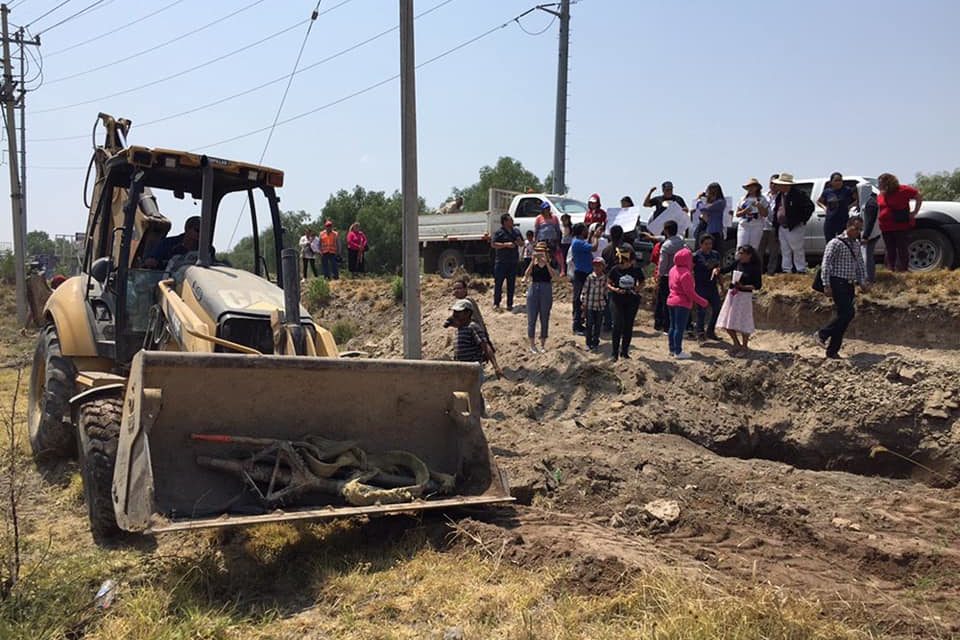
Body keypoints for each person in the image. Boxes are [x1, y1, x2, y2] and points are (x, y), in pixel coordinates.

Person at [815, 217, 869, 359]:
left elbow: (860, 264)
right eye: (856, 228)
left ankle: (832, 350)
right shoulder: (835, 243)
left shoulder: (856, 245)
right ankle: (823, 333)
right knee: (848, 313)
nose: (858, 232)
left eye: (860, 229)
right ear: (848, 226)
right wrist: (826, 284)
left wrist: (862, 281)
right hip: (837, 282)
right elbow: (826, 264)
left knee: (843, 317)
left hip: (849, 283)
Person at [715, 245, 763, 354]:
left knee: (742, 322)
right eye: (739, 253)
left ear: (749, 255)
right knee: (727, 321)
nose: (740, 255)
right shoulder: (737, 263)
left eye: (742, 254)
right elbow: (726, 270)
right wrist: (717, 270)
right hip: (733, 295)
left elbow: (757, 285)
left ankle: (745, 347)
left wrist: (743, 287)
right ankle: (736, 344)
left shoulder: (754, 267)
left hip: (744, 296)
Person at [666, 247, 709, 359]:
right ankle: (678, 351)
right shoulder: (686, 274)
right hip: (682, 303)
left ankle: (672, 349)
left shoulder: (672, 269)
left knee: (672, 327)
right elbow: (689, 292)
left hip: (671, 300)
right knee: (679, 328)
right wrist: (702, 302)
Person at [877, 172, 922, 272]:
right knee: (889, 249)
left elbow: (918, 195)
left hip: (900, 225)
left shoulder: (903, 190)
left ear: (888, 182)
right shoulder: (881, 195)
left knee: (902, 248)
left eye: (881, 183)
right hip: (885, 226)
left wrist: (915, 211)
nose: (879, 185)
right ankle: (890, 269)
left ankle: (903, 270)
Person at [606, 243, 645, 361]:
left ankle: (624, 352)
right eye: (620, 262)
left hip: (631, 300)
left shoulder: (636, 270)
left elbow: (642, 282)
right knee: (617, 324)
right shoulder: (614, 270)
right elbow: (608, 283)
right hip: (616, 299)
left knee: (628, 326)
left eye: (624, 262)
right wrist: (615, 289)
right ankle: (614, 353)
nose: (622, 265)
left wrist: (635, 289)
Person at [771, 172, 815, 273]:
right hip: (782, 226)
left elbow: (809, 207)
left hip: (794, 226)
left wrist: (801, 220)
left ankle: (800, 269)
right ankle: (787, 269)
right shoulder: (779, 196)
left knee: (797, 249)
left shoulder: (798, 194)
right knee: (785, 249)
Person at [446, 299, 501, 377]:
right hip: (462, 370)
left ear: (468, 313)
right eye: (454, 312)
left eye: (458, 312)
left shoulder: (472, 327)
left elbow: (485, 346)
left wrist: (496, 366)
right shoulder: (460, 329)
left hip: (472, 370)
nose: (455, 314)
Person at [524, 242, 557, 353]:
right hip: (534, 287)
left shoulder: (550, 262)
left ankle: (543, 344)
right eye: (537, 250)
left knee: (544, 317)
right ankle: (532, 345)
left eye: (541, 250)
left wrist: (546, 263)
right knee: (531, 318)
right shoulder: (533, 263)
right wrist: (533, 261)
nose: (539, 252)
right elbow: (526, 274)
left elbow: (553, 276)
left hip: (546, 288)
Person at [653, 220, 684, 332]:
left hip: (667, 276)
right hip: (679, 276)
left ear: (666, 230)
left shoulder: (666, 245)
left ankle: (663, 324)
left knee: (664, 300)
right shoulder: (682, 243)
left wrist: (659, 276)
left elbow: (662, 263)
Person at [569, 223, 600, 335]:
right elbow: (594, 247)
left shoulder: (578, 241)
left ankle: (580, 322)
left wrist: (591, 235)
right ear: (581, 231)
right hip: (581, 274)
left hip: (584, 273)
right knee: (578, 299)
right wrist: (596, 237)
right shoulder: (577, 243)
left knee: (584, 299)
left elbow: (586, 243)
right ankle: (577, 325)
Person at [692, 234, 723, 341]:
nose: (709, 246)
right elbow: (691, 270)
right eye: (706, 244)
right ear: (701, 245)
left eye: (710, 244)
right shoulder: (696, 256)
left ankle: (710, 331)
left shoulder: (715, 254)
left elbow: (718, 270)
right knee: (702, 310)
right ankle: (700, 332)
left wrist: (721, 285)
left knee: (717, 308)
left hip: (712, 286)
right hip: (700, 286)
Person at [491, 213, 523, 310]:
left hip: (513, 262)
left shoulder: (516, 232)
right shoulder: (499, 233)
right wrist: (505, 245)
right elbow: (493, 244)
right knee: (499, 283)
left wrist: (518, 242)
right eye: (510, 220)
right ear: (505, 222)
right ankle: (496, 303)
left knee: (511, 284)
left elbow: (522, 243)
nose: (512, 222)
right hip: (501, 262)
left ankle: (510, 304)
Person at [817, 172, 859, 243]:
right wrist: (825, 208)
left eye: (840, 180)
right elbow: (819, 201)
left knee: (843, 241)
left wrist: (849, 207)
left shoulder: (847, 190)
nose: (838, 182)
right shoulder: (827, 192)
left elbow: (857, 199)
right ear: (831, 182)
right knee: (830, 242)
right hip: (830, 221)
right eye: (836, 180)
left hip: (843, 220)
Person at [580, 256, 607, 351]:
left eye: (599, 266)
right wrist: (583, 303)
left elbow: (605, 292)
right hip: (590, 304)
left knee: (598, 325)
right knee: (589, 324)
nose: (597, 268)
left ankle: (595, 342)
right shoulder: (590, 277)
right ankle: (588, 343)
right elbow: (584, 291)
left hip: (599, 305)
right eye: (595, 266)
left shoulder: (604, 278)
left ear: (603, 267)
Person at [693, 182, 727, 254]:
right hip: (708, 231)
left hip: (716, 232)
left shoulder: (720, 202)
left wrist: (699, 201)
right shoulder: (711, 202)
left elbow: (704, 209)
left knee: (715, 253)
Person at [735, 178, 768, 251]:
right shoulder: (743, 199)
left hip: (757, 226)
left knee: (753, 248)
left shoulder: (762, 199)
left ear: (757, 188)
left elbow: (765, 214)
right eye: (749, 186)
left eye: (753, 186)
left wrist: (760, 207)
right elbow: (737, 214)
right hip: (744, 225)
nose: (751, 188)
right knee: (741, 246)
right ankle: (740, 261)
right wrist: (745, 211)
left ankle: (752, 262)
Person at [758, 174, 782, 274]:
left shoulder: (781, 197)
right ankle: (758, 271)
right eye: (772, 183)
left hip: (774, 226)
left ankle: (770, 271)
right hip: (762, 226)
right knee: (759, 251)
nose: (773, 186)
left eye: (776, 184)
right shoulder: (763, 196)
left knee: (773, 251)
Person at [860, 191, 881, 283]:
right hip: (874, 233)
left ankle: (869, 279)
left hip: (870, 235)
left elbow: (869, 221)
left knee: (867, 257)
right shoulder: (871, 202)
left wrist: (865, 236)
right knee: (868, 256)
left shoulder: (870, 204)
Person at [534, 201, 562, 267]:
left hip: (552, 240)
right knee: (542, 255)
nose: (547, 210)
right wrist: (535, 240)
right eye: (545, 209)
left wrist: (558, 241)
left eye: (548, 208)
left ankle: (552, 269)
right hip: (542, 240)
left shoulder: (554, 218)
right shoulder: (539, 218)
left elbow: (557, 230)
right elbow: (536, 229)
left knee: (552, 255)